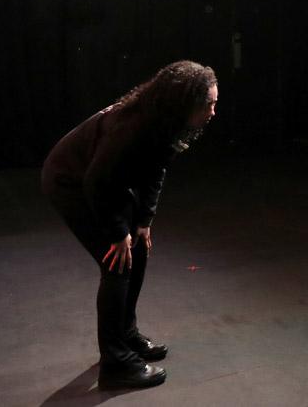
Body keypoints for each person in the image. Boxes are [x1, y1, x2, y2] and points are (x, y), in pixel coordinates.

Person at [41, 60, 218, 389]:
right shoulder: (132, 127)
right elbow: (96, 181)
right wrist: (117, 231)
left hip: (111, 181)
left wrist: (143, 221)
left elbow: (157, 167)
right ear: (185, 102)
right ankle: (116, 364)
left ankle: (125, 334)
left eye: (215, 102)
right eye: (208, 104)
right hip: (72, 181)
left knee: (136, 251)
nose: (212, 112)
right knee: (117, 263)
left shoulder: (166, 119)